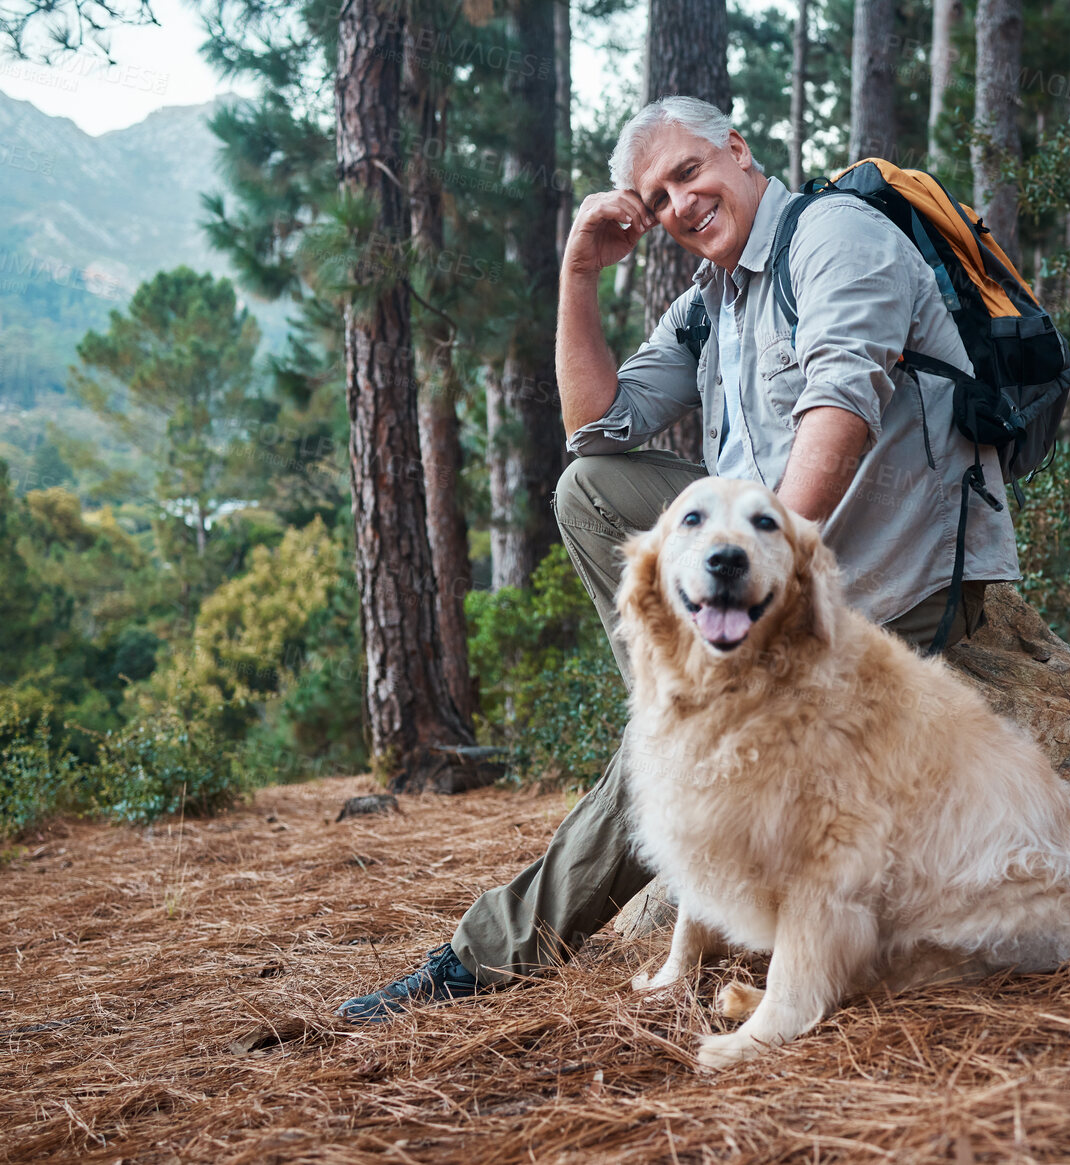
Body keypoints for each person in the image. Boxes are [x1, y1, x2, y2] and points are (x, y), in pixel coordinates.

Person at [336, 95, 1021, 1022]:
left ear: (736, 150)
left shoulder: (835, 238)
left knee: (687, 721)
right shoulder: (712, 303)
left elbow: (843, 405)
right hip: (763, 579)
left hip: (881, 579)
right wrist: (579, 272)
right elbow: (596, 428)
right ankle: (685, 702)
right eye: (656, 199)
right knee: (589, 487)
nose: (679, 205)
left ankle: (484, 954)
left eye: (689, 172)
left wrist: (770, 564)